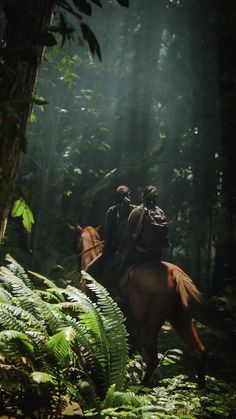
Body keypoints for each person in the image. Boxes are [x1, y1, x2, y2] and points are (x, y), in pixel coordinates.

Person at [86, 185, 134, 278]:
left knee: (95, 270)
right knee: (91, 269)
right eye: (128, 196)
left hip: (122, 250)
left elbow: (109, 232)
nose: (129, 198)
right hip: (116, 248)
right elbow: (108, 231)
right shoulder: (115, 211)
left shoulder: (130, 211)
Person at [122, 185, 169, 265]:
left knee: (111, 268)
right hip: (157, 254)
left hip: (140, 255)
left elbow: (127, 235)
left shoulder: (137, 211)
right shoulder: (160, 212)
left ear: (143, 195)